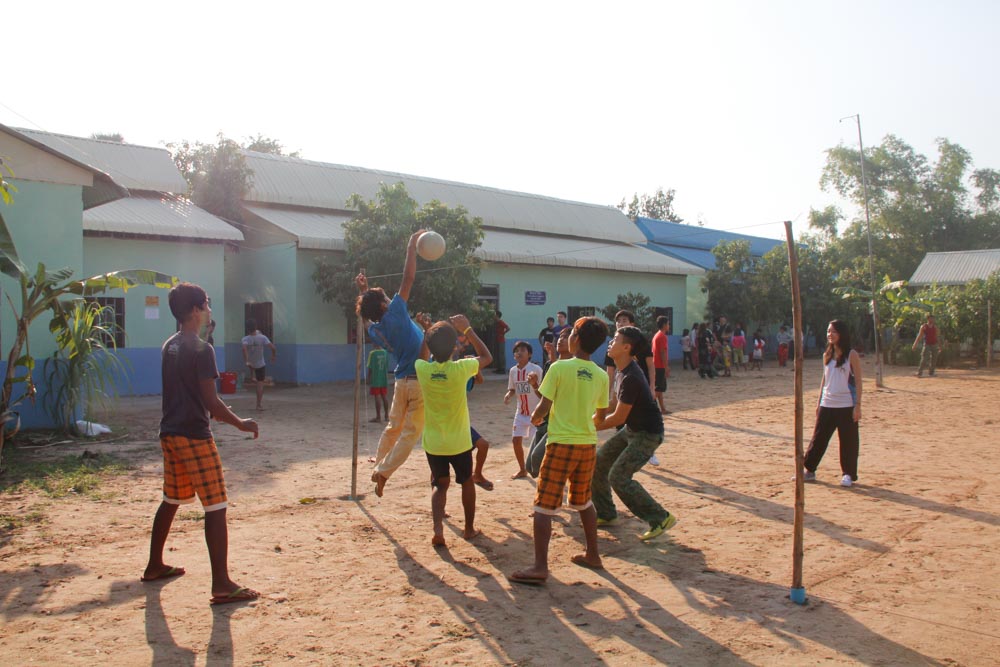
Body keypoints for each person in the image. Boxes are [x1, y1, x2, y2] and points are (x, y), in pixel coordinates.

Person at [143, 282, 260, 605]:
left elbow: (189, 364)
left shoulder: (171, 345)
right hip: (195, 434)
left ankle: (155, 564)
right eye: (206, 305)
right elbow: (212, 403)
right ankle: (221, 583)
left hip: (170, 432)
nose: (209, 310)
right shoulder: (203, 350)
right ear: (195, 311)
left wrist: (206, 336)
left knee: (171, 498)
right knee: (216, 505)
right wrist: (241, 423)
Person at [509, 317, 609, 585]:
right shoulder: (601, 374)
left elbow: (543, 405)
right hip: (587, 445)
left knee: (544, 505)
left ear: (575, 338)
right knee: (584, 501)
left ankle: (540, 566)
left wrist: (536, 419)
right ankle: (593, 554)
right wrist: (587, 425)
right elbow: (601, 414)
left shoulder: (559, 368)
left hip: (561, 443)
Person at [356, 230, 428, 498]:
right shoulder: (396, 311)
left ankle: (378, 463)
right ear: (386, 305)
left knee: (393, 427)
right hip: (418, 380)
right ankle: (383, 472)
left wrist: (364, 292)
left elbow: (366, 318)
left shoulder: (376, 329)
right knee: (410, 434)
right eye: (387, 298)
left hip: (400, 381)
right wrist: (411, 246)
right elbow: (408, 278)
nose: (390, 299)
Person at [593, 326, 678, 541]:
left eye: (615, 339)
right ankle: (607, 514)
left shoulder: (631, 376)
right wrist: (593, 415)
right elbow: (613, 405)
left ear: (627, 347)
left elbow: (618, 418)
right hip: (632, 430)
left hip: (647, 434)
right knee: (599, 463)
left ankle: (660, 517)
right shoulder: (622, 371)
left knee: (619, 476)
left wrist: (587, 426)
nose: (610, 343)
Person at [415, 314, 492, 547]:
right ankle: (468, 529)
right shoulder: (461, 368)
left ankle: (438, 529)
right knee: (466, 481)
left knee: (439, 485)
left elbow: (422, 356)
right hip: (459, 441)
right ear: (455, 346)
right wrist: (468, 328)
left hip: (434, 442)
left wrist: (426, 331)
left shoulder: (423, 370)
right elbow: (487, 356)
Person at [801, 320, 863, 487]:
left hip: (846, 404)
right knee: (819, 438)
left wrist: (858, 405)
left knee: (848, 441)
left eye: (834, 331)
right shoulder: (826, 355)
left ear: (842, 334)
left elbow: (857, 380)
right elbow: (824, 379)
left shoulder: (852, 355)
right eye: (828, 331)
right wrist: (819, 401)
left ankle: (848, 474)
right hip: (827, 404)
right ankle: (809, 469)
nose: (830, 334)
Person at [526, 327, 573, 478]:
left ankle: (553, 486)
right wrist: (534, 385)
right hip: (545, 422)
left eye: (566, 337)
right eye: (560, 337)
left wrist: (536, 415)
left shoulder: (574, 368)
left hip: (560, 425)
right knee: (531, 468)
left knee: (537, 459)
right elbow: (545, 397)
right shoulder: (550, 366)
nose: (560, 339)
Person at [504, 341, 543, 479]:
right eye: (516, 351)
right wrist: (509, 395)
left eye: (522, 350)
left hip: (536, 413)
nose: (519, 353)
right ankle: (522, 469)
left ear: (530, 354)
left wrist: (534, 384)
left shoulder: (536, 370)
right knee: (516, 441)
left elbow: (543, 391)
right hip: (520, 412)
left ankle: (540, 470)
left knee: (537, 445)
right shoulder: (513, 371)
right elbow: (512, 388)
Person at [242, 319, 276, 411]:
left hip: (251, 363)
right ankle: (258, 405)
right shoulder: (262, 338)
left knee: (251, 366)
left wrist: (246, 360)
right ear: (256, 327)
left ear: (247, 329)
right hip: (260, 364)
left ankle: (252, 375)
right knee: (260, 384)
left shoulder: (245, 339)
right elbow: (273, 348)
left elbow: (244, 349)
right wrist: (273, 356)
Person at [651, 316, 671, 414]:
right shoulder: (662, 336)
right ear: (664, 325)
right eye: (668, 324)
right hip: (659, 366)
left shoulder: (657, 335)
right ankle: (648, 405)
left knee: (659, 388)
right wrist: (666, 367)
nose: (669, 326)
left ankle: (662, 408)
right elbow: (663, 352)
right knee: (659, 389)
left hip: (656, 365)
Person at [366, 344, 390, 422]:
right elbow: (387, 365)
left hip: (376, 378)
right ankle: (387, 416)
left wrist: (368, 378)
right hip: (383, 378)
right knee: (384, 396)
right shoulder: (385, 353)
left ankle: (378, 417)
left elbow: (370, 367)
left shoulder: (372, 353)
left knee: (377, 396)